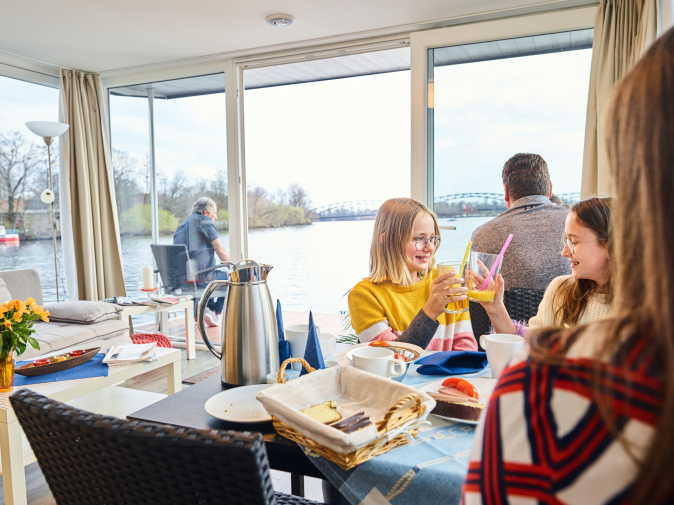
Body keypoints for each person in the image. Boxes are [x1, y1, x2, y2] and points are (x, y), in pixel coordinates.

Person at [464, 28, 674, 504]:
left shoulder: (544, 390)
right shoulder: (563, 290)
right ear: (551, 187)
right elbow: (529, 336)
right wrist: (498, 314)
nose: (565, 251)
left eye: (574, 241)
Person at [348, 198, 477, 351]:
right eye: (418, 239)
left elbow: (467, 350)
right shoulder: (364, 295)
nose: (429, 248)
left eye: (432, 238)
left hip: (450, 376)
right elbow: (391, 358)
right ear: (386, 240)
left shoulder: (444, 284)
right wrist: (430, 312)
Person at [480, 197, 612, 334]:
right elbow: (531, 344)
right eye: (566, 241)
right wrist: (495, 308)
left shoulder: (634, 309)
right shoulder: (560, 290)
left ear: (610, 245)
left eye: (574, 242)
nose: (564, 252)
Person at [471, 153, 569, 291]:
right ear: (550, 189)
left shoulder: (482, 234)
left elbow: (473, 289)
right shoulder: (576, 224)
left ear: (506, 191)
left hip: (503, 312)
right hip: (570, 311)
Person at [173, 197, 230, 327]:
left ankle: (204, 310)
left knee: (209, 276)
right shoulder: (205, 222)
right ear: (205, 213)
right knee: (230, 278)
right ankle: (215, 312)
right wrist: (234, 265)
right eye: (214, 214)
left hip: (182, 281)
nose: (214, 218)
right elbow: (220, 251)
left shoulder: (181, 226)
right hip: (201, 279)